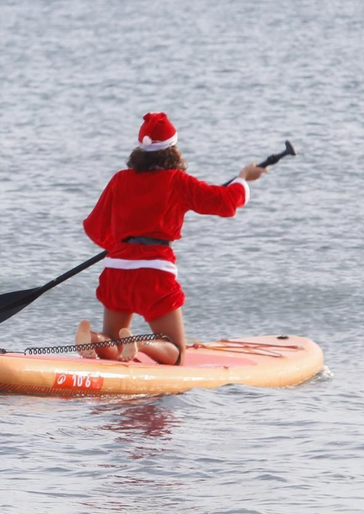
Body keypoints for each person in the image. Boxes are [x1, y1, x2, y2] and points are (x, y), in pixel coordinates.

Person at [75, 112, 264, 365]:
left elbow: (94, 226)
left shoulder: (120, 179)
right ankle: (140, 342)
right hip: (154, 272)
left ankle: (93, 339)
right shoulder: (178, 182)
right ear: (172, 151)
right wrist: (243, 177)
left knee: (113, 341)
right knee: (176, 353)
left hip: (116, 268)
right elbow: (226, 202)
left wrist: (121, 248)